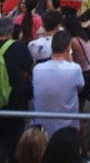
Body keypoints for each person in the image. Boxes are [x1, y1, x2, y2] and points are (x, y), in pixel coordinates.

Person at [33, 30, 84, 138]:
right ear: (68, 48)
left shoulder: (37, 69)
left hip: (41, 129)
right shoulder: (74, 69)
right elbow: (80, 87)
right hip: (67, 129)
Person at [0, 16, 34, 163]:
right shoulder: (19, 47)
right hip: (15, 103)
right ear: (11, 31)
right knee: (14, 145)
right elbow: (28, 72)